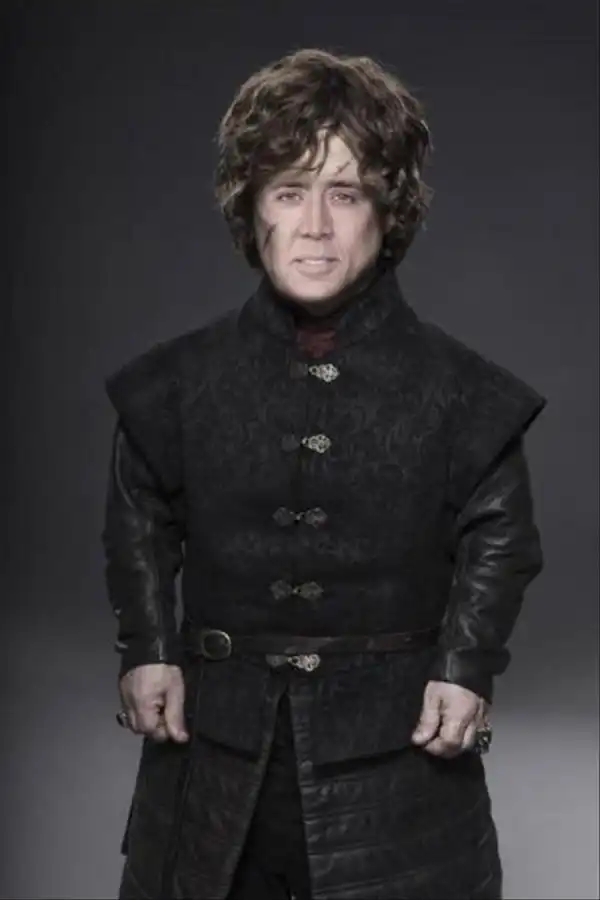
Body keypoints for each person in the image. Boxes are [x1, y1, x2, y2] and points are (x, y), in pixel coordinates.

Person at [102, 48, 547, 900]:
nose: (315, 225)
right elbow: (139, 511)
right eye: (288, 191)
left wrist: (466, 666)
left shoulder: (464, 391)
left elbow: (501, 535)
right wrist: (147, 647)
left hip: (397, 762)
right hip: (212, 751)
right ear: (251, 207)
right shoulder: (175, 384)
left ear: (389, 212)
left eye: (345, 194)